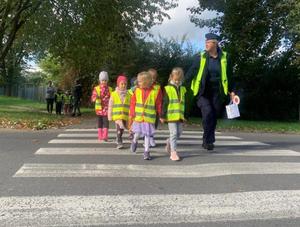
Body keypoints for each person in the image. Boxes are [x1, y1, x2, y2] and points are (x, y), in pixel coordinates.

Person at [185, 33, 235, 151]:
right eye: (205, 42)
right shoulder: (200, 57)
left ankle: (206, 139)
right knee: (207, 113)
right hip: (202, 92)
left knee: (213, 116)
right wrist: (180, 85)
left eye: (209, 42)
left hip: (218, 92)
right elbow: (191, 72)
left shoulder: (225, 57)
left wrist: (232, 91)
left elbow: (230, 75)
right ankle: (208, 141)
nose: (206, 44)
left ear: (215, 43)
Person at [128, 71, 162, 160]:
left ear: (146, 82)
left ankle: (146, 151)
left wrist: (161, 114)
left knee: (147, 135)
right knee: (137, 133)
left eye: (139, 81)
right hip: (138, 118)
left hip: (149, 118)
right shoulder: (137, 91)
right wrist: (131, 113)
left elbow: (158, 103)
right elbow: (132, 103)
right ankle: (134, 141)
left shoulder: (155, 92)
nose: (138, 83)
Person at [160, 67, 187, 161]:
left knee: (179, 133)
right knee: (174, 133)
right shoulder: (167, 89)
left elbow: (183, 103)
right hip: (170, 116)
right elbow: (165, 103)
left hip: (179, 116)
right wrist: (162, 116)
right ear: (171, 77)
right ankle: (173, 152)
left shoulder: (183, 89)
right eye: (175, 79)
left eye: (179, 79)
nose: (177, 81)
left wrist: (184, 116)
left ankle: (169, 141)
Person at [108, 75, 131, 149]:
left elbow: (130, 105)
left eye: (125, 84)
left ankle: (119, 137)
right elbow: (110, 106)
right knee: (119, 129)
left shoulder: (128, 94)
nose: (123, 85)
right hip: (117, 116)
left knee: (122, 129)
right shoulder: (114, 94)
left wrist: (131, 115)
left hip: (125, 115)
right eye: (122, 84)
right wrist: (110, 116)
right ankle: (119, 140)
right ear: (118, 84)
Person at [91, 71, 112, 142]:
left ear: (107, 81)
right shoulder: (96, 88)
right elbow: (93, 97)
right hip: (99, 108)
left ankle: (105, 136)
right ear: (100, 80)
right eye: (102, 80)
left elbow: (112, 97)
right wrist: (95, 97)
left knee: (106, 122)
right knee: (100, 122)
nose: (104, 82)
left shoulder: (110, 89)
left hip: (107, 108)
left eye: (105, 80)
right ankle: (100, 136)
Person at [148, 68, 163, 147]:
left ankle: (151, 136)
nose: (152, 79)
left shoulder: (157, 87)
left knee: (154, 125)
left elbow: (160, 100)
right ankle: (148, 138)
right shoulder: (144, 85)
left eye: (154, 77)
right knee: (148, 125)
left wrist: (160, 112)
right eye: (151, 77)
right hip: (146, 110)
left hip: (155, 110)